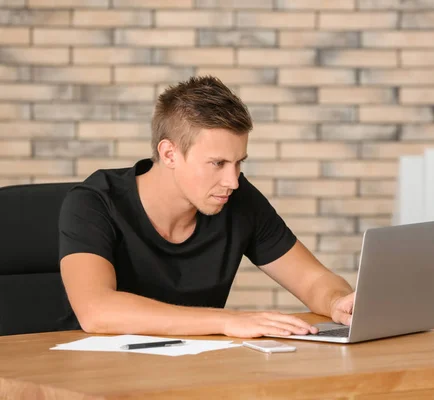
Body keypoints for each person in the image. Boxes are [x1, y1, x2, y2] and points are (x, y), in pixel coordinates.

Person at [58, 75, 355, 338]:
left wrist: (337, 302)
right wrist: (228, 321)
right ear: (170, 153)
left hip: (195, 370)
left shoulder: (237, 200)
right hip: (95, 373)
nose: (233, 181)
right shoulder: (94, 202)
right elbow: (96, 310)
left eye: (239, 163)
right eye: (218, 163)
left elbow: (312, 278)